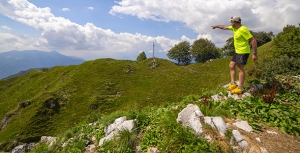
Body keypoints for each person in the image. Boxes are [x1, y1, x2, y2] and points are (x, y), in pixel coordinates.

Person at [211, 16, 258, 94]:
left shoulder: (243, 29)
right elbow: (224, 27)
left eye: (231, 21)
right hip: (237, 51)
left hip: (243, 51)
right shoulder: (234, 28)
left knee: (240, 68)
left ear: (235, 22)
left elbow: (253, 40)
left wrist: (255, 53)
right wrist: (216, 26)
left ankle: (240, 87)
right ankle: (233, 83)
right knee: (231, 66)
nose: (230, 23)